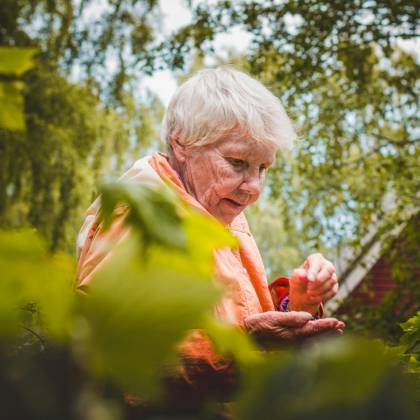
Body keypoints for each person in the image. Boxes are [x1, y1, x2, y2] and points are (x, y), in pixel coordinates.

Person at [76, 67, 344, 408]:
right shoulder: (139, 216)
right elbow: (108, 358)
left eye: (263, 168)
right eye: (236, 162)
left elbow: (235, 316)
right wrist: (244, 343)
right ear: (182, 143)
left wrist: (297, 304)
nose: (254, 188)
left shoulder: (218, 209)